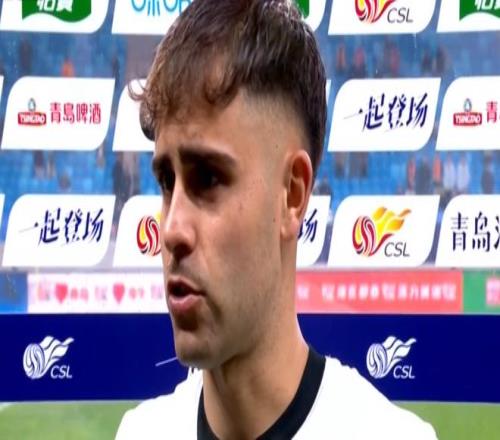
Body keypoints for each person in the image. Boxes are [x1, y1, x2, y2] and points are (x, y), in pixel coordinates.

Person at [116, 1, 437, 439]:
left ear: (293, 194)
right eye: (167, 182)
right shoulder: (140, 432)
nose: (171, 229)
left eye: (208, 178)